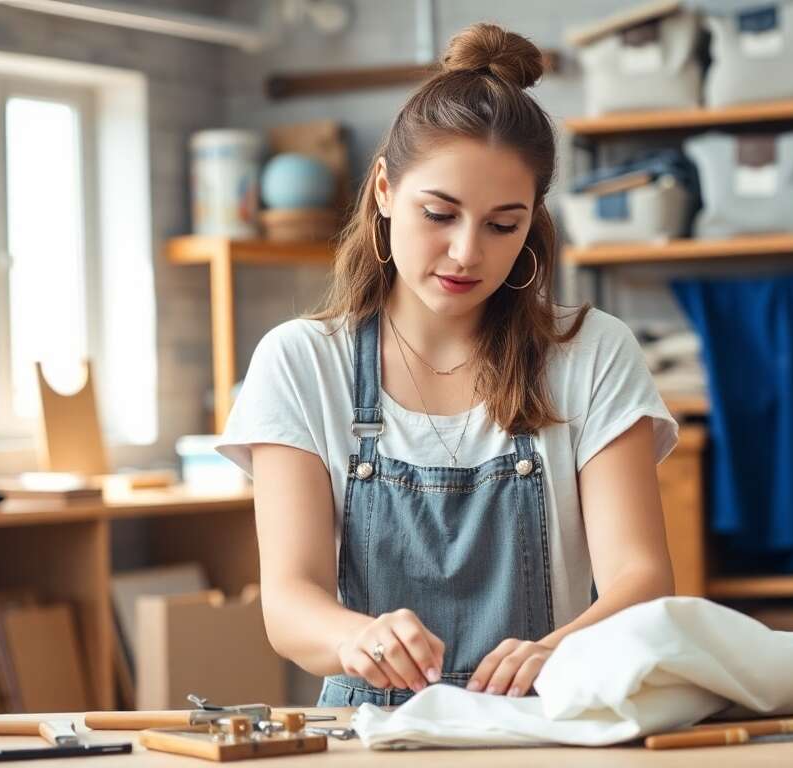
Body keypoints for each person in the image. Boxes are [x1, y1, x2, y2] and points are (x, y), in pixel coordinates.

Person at [216, 22, 679, 708]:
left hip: (541, 729)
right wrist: (359, 638)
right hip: (368, 741)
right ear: (383, 190)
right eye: (439, 214)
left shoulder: (591, 353)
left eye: (502, 225)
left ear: (531, 222)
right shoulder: (301, 362)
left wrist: (560, 649)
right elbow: (289, 603)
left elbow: (641, 579)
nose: (467, 252)